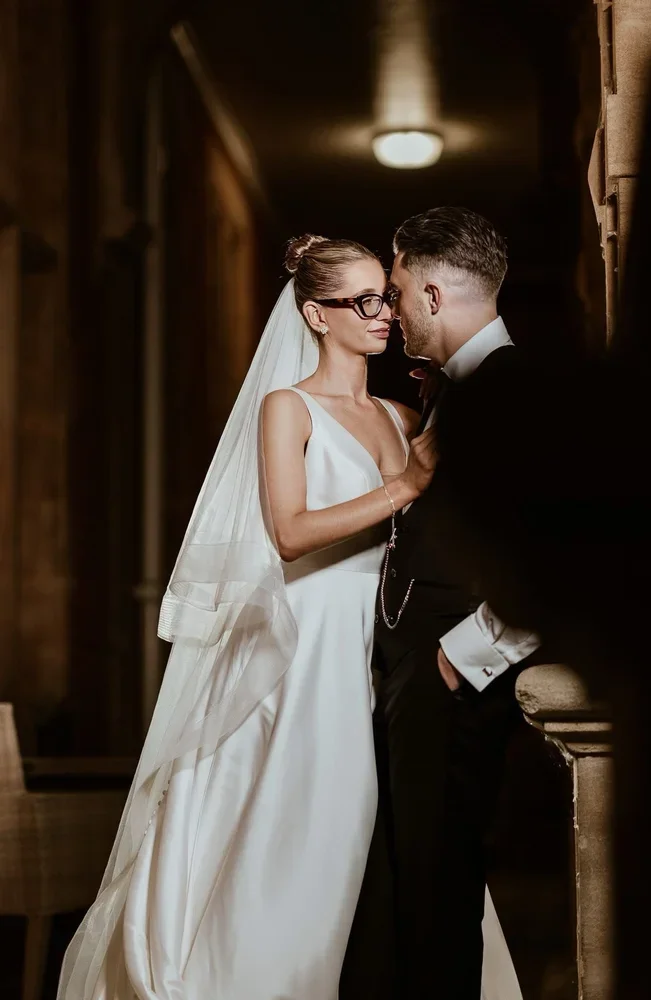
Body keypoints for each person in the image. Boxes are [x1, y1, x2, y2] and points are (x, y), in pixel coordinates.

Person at [56, 235, 437, 1000]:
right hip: (309, 632)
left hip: (381, 631)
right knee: (310, 812)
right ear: (315, 315)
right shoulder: (286, 406)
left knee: (385, 825)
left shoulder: (399, 413)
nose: (383, 314)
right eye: (362, 301)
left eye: (385, 297)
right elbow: (289, 531)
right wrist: (405, 488)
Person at [342, 207, 542, 1000]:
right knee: (414, 893)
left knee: (439, 894)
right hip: (415, 683)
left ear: (430, 293)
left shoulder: (514, 390)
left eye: (394, 292)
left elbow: (550, 553)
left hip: (451, 685)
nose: (390, 312)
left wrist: (463, 658)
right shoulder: (456, 393)